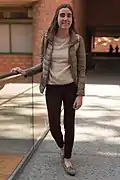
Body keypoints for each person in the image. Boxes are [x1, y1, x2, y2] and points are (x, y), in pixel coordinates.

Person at [11, 3, 86, 176]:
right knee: (53, 125)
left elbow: (82, 69)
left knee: (69, 124)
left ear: (72, 19)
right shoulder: (48, 38)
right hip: (52, 87)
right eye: (62, 15)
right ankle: (62, 146)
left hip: (70, 88)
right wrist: (26, 72)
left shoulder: (77, 41)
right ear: (57, 18)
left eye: (68, 15)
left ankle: (67, 158)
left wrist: (80, 93)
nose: (65, 18)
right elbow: (43, 64)